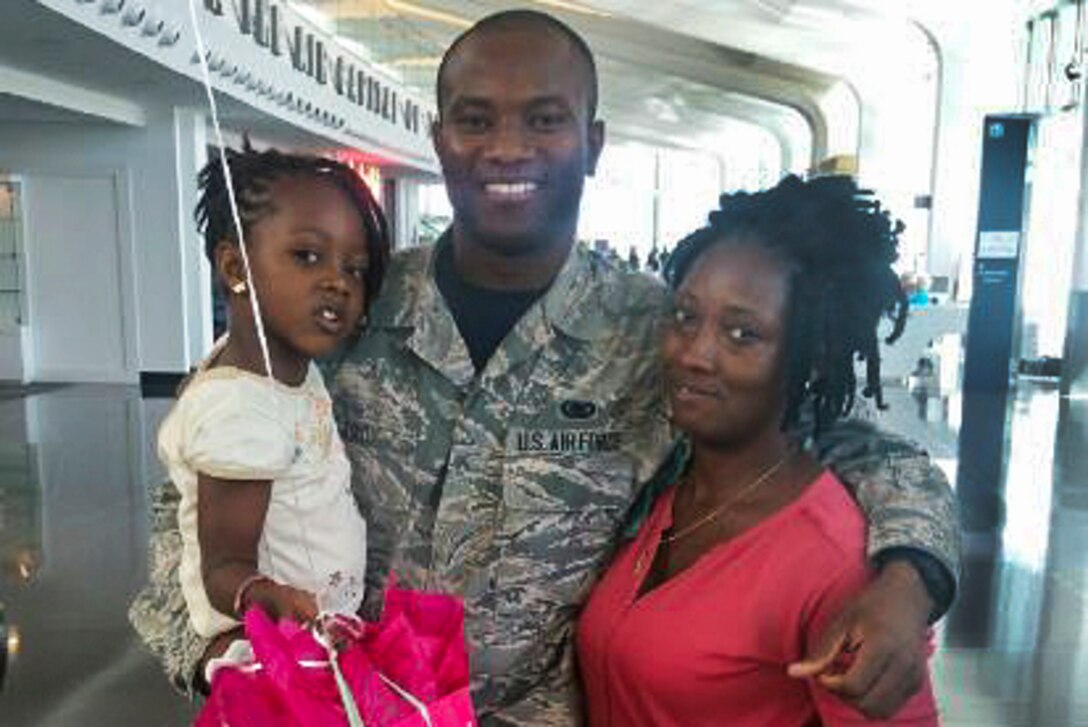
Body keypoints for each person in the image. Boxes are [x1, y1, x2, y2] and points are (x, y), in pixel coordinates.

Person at [130, 10, 958, 725]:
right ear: (438, 139)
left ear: (593, 143)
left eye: (545, 119)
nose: (506, 148)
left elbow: (859, 449)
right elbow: (196, 495)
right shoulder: (347, 303)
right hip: (341, 706)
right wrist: (217, 654)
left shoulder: (654, 330)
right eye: (476, 119)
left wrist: (911, 577)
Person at [577, 175, 939, 725]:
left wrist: (913, 585)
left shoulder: (833, 561)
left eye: (742, 334)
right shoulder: (661, 486)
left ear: (811, 356)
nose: (695, 354)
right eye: (686, 317)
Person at [156, 145, 389, 673]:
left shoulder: (287, 368)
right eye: (308, 255)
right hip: (271, 654)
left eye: (355, 269)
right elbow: (222, 568)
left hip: (318, 640)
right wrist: (267, 596)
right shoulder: (240, 411)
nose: (338, 281)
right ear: (236, 266)